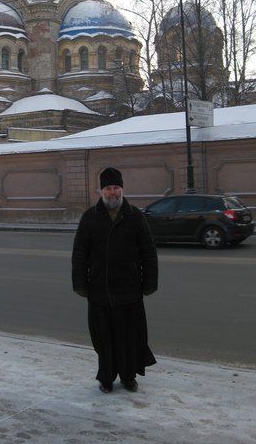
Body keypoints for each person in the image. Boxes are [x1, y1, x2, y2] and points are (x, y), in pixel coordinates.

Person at [71, 166, 158, 393]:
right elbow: (80, 253)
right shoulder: (90, 218)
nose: (113, 192)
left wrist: (149, 282)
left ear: (122, 189)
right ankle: (106, 378)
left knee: (130, 337)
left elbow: (148, 252)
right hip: (100, 291)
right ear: (101, 191)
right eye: (108, 188)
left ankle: (129, 377)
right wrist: (80, 283)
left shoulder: (135, 216)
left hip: (130, 291)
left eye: (116, 188)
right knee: (104, 339)